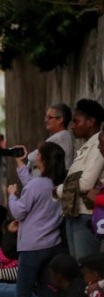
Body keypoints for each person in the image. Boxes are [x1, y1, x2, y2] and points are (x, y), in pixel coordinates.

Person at [0, 142, 66, 297]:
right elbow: (33, 187)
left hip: (31, 247)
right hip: (52, 245)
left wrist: (11, 195)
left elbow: (19, 211)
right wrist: (20, 163)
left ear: (43, 160)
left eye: (39, 153)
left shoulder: (37, 184)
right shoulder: (57, 184)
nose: (35, 156)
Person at [54, 99, 104, 259]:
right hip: (75, 211)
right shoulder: (87, 146)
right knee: (78, 266)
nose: (72, 126)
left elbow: (86, 183)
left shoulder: (98, 145)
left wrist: (57, 190)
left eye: (76, 121)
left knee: (86, 264)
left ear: (91, 122)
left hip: (86, 214)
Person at [27, 103, 74, 170]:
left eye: (49, 117)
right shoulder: (64, 135)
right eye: (46, 117)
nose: (46, 120)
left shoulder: (59, 137)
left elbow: (32, 157)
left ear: (60, 120)